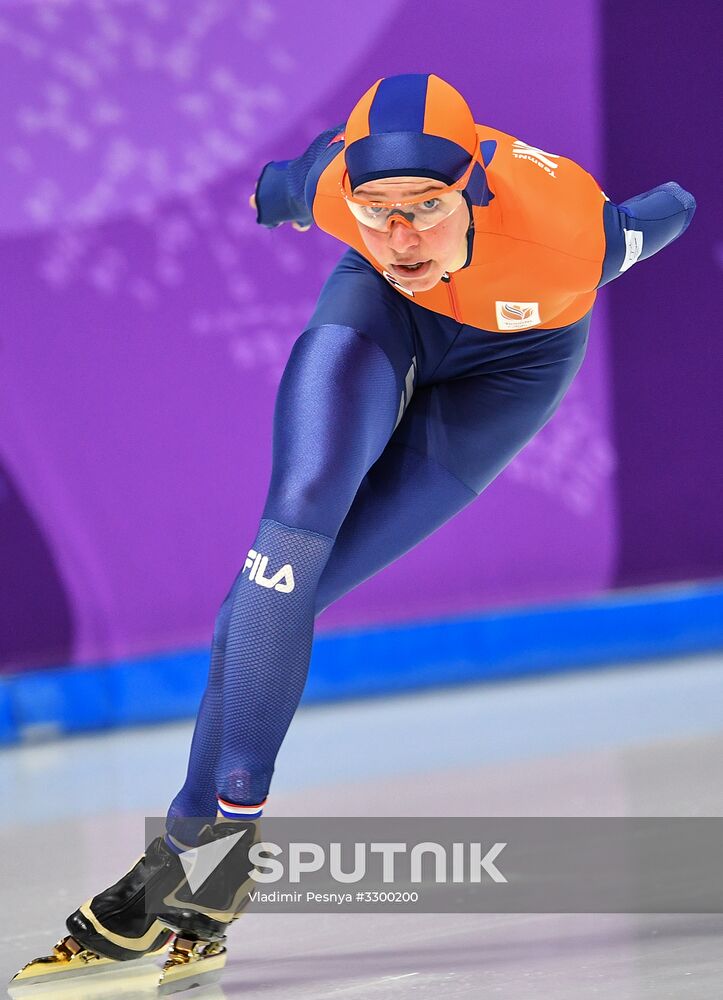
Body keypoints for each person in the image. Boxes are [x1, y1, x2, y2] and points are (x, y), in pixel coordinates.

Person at [12, 73, 696, 992]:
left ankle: (190, 864)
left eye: (425, 208)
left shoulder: (572, 235)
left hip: (511, 368)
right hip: (379, 320)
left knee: (254, 613)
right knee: (273, 572)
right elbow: (280, 186)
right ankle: (207, 862)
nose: (402, 235)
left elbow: (674, 208)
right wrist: (275, 195)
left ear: (473, 192)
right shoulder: (336, 191)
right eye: (378, 210)